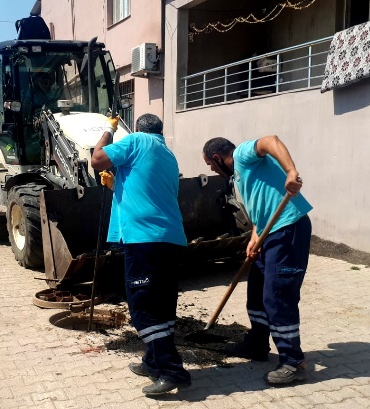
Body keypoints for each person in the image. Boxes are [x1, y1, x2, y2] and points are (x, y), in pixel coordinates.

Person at [91, 114, 191, 396]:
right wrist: (119, 183)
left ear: (136, 130)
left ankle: (172, 371)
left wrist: (107, 132)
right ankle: (152, 361)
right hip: (170, 238)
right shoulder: (167, 154)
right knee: (162, 304)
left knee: (144, 305)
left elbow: (97, 159)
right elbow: (148, 187)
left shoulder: (135, 141)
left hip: (144, 239)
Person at [202, 136, 313, 385]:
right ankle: (257, 344)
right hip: (268, 233)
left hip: (288, 229)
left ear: (218, 158)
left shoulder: (241, 155)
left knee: (278, 294)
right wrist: (255, 237)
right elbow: (261, 210)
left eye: (210, 164)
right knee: (257, 291)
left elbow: (270, 141)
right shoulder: (241, 177)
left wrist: (291, 171)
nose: (212, 170)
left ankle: (294, 362)